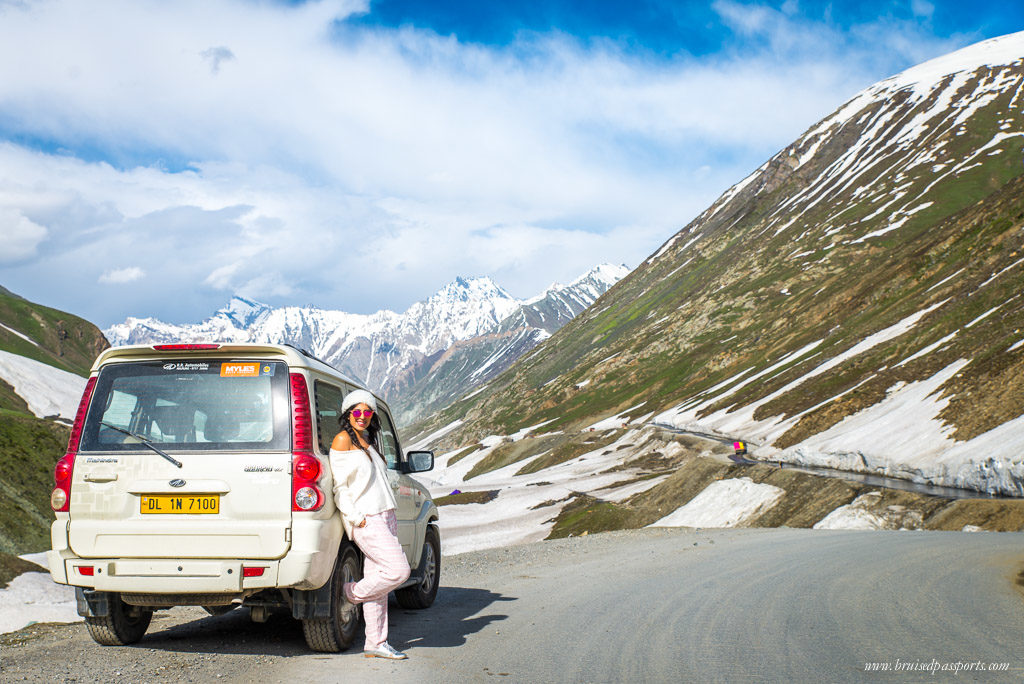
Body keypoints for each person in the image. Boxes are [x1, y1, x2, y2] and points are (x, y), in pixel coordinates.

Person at [329, 389, 411, 660]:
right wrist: (356, 518)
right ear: (348, 413)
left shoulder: (368, 440)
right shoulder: (343, 440)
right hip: (367, 518)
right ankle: (350, 592)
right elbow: (340, 488)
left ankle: (376, 642)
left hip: (385, 514)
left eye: (367, 412)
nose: (362, 416)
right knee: (399, 571)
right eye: (356, 411)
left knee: (381, 582)